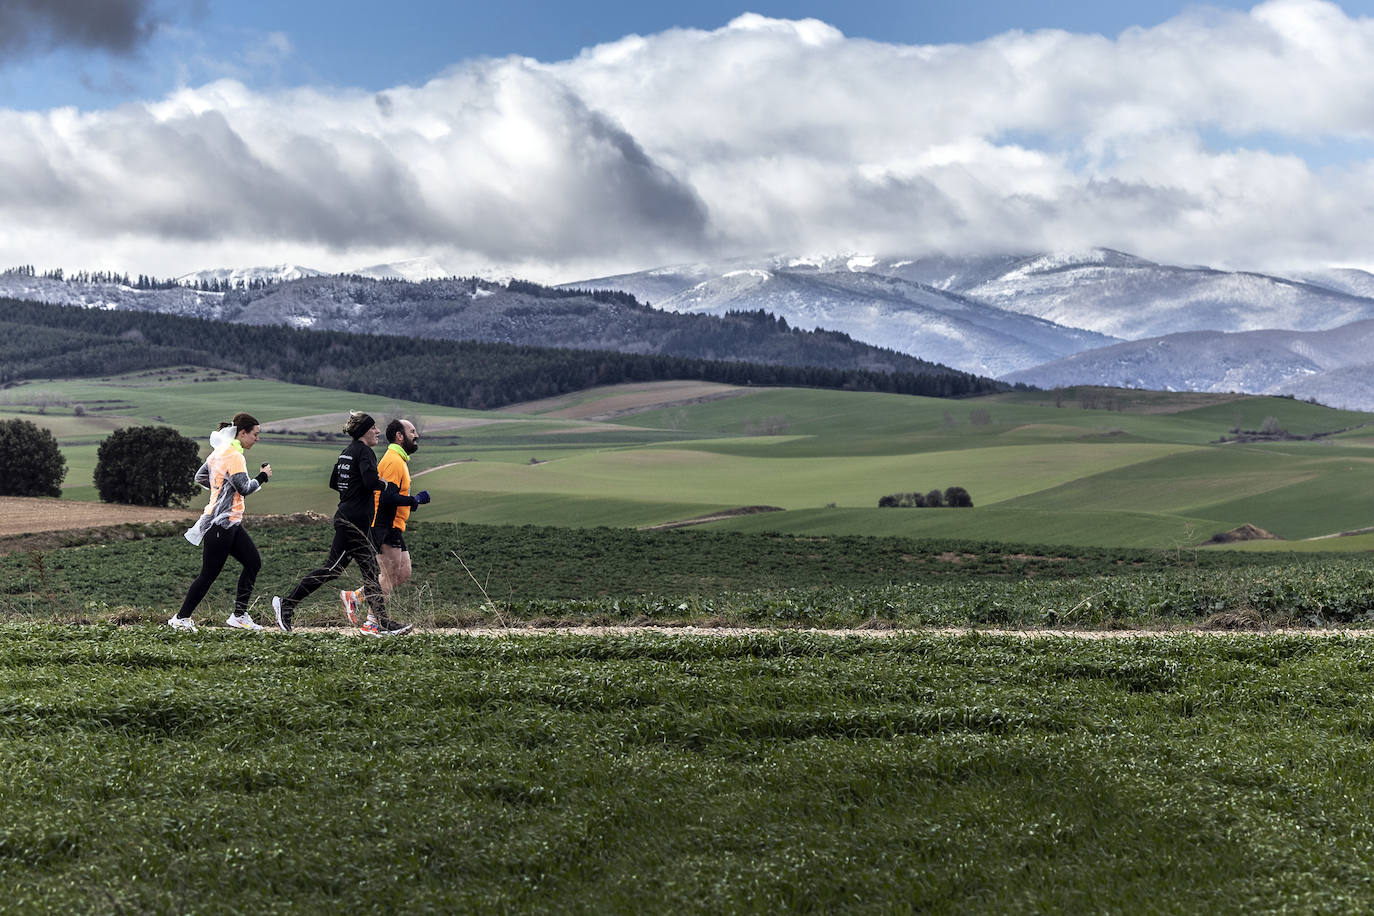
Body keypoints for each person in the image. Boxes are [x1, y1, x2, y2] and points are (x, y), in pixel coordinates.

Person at [272, 411, 411, 635]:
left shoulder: (347, 452)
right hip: (352, 523)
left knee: (369, 571)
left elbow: (334, 482)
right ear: (365, 431)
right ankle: (286, 604)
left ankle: (381, 624)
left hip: (352, 519)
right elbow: (369, 481)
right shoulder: (365, 452)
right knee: (332, 569)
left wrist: (352, 494)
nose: (377, 432)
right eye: (374, 428)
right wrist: (384, 485)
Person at [172, 413, 272, 632]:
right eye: (255, 434)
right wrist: (263, 476)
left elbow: (200, 477)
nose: (257, 439)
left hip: (230, 523)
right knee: (208, 574)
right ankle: (180, 618)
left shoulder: (219, 452)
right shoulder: (235, 456)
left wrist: (220, 489)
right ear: (242, 433)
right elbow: (244, 487)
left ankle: (239, 616)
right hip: (220, 523)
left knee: (253, 562)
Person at [340, 418, 431, 635]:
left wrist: (410, 505)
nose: (416, 435)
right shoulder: (392, 460)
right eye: (412, 431)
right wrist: (414, 500)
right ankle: (372, 623)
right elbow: (387, 496)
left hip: (395, 524)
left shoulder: (400, 460)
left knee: (403, 572)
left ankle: (355, 597)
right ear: (399, 436)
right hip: (383, 524)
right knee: (389, 574)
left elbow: (394, 495)